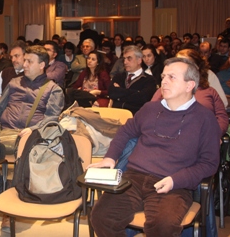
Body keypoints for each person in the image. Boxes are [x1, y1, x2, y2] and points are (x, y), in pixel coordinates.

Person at [89, 57, 221, 236]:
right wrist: (110, 157)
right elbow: (125, 131)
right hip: (133, 178)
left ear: (190, 85)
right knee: (101, 216)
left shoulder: (205, 119)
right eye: (164, 76)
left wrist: (176, 180)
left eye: (172, 77)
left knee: (163, 226)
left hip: (173, 184)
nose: (164, 81)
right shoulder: (150, 109)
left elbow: (209, 163)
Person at [0, 45, 64, 143]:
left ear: (41, 65)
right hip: (5, 134)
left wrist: (33, 129)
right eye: (25, 60)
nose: (24, 65)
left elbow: (51, 120)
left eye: (29, 62)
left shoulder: (53, 90)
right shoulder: (14, 82)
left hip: (33, 137)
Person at [152, 49, 229, 135]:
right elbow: (151, 113)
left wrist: (214, 135)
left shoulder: (209, 91)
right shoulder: (165, 89)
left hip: (202, 136)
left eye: (185, 63)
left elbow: (222, 117)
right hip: (169, 134)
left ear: (196, 67)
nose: (179, 66)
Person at [108, 45, 157, 115]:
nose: (125, 62)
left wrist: (119, 91)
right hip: (114, 115)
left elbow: (142, 98)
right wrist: (136, 92)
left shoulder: (149, 80)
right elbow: (111, 93)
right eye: (124, 59)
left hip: (135, 118)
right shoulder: (119, 76)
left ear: (139, 60)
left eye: (129, 59)